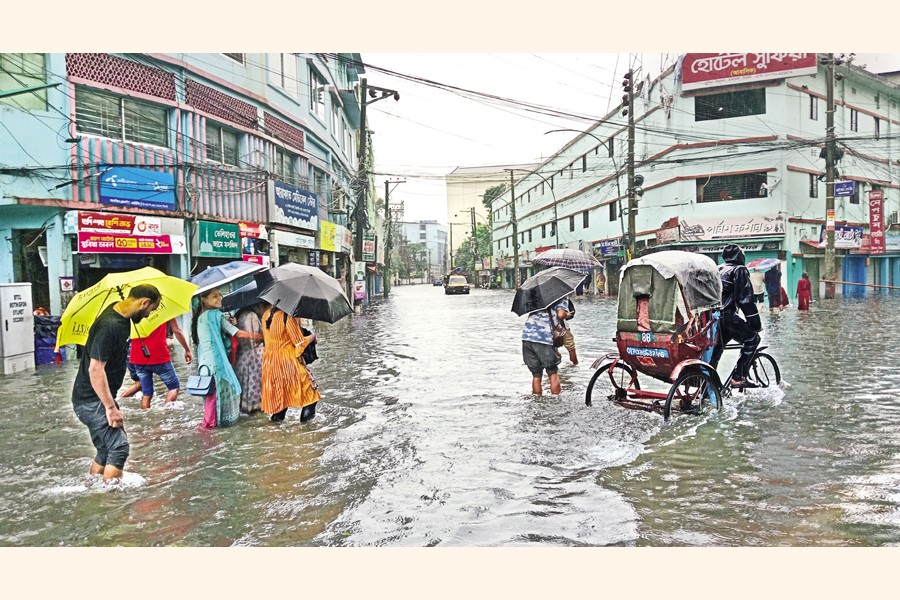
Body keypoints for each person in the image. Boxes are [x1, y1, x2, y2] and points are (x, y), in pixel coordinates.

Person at [70, 284, 160, 482]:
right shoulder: (110, 325)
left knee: (105, 450)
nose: (147, 315)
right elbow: (95, 369)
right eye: (150, 310)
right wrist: (110, 407)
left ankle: (95, 490)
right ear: (143, 302)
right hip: (92, 401)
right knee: (119, 448)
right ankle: (111, 504)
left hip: (89, 399)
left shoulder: (120, 316)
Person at [191, 288, 262, 428]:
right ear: (204, 299)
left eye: (220, 295)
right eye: (214, 297)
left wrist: (229, 323)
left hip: (204, 364)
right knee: (221, 394)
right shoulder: (215, 315)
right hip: (216, 364)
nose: (219, 299)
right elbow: (238, 334)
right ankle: (210, 429)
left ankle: (209, 426)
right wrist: (262, 337)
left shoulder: (200, 317)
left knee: (210, 398)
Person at [710, 245, 762, 387]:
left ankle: (706, 384)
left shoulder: (718, 269)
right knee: (752, 338)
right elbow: (746, 301)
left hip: (714, 317)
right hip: (728, 317)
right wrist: (756, 324)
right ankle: (738, 377)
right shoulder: (739, 270)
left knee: (716, 350)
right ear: (741, 257)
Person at [261, 306, 320, 423]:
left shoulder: (266, 314)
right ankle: (306, 432)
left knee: (281, 401)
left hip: (270, 365)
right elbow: (299, 344)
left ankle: (275, 433)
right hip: (287, 364)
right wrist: (312, 336)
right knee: (311, 397)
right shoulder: (287, 316)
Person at [119, 319, 192, 409]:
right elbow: (177, 331)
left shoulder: (135, 311)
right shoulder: (166, 309)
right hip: (160, 355)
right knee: (173, 388)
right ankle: (167, 415)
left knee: (146, 394)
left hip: (139, 356)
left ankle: (145, 418)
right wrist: (187, 350)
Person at [521, 297, 570, 395]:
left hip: (527, 336)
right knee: (552, 371)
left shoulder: (535, 295)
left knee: (536, 374)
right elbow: (560, 314)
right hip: (544, 337)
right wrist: (567, 314)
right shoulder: (560, 295)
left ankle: (537, 402)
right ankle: (555, 402)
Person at [233, 302, 268, 414]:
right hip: (253, 359)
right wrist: (265, 336)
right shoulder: (251, 316)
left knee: (245, 389)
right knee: (254, 392)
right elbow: (252, 341)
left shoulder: (240, 315)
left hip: (242, 358)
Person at [562, 295, 578, 365]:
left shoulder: (541, 297)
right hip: (562, 326)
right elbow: (565, 314)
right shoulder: (562, 296)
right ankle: (574, 367)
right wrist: (567, 314)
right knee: (571, 347)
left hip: (545, 329)